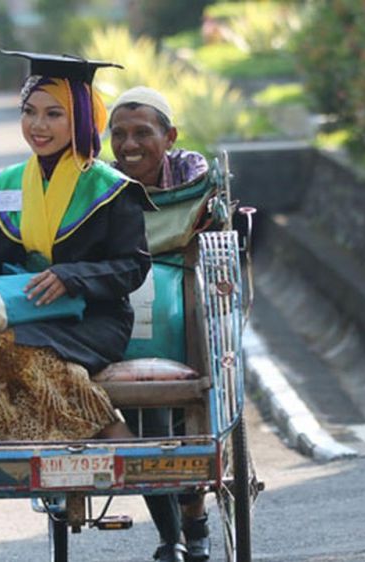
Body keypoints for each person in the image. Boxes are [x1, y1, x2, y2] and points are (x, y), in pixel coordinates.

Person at [0, 50, 150, 444]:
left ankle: (111, 432)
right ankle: (56, 440)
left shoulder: (111, 190)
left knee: (5, 348)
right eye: (29, 111)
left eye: (54, 114)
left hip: (92, 318)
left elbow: (132, 268)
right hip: (20, 309)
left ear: (82, 119)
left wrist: (72, 278)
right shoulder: (6, 185)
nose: (38, 125)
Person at [109, 86, 212, 562]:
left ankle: (196, 522)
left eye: (142, 133)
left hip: (183, 297)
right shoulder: (103, 182)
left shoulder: (192, 174)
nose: (130, 145)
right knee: (145, 421)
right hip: (125, 308)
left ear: (169, 136)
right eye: (119, 134)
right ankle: (171, 538)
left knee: (188, 419)